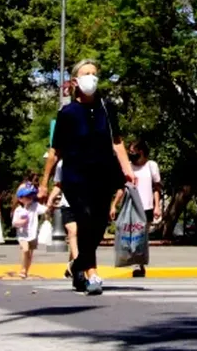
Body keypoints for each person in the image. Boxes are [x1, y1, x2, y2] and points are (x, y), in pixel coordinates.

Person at [39, 59, 135, 296]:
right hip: (76, 177)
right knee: (85, 220)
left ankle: (77, 266)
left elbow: (117, 142)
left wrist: (127, 169)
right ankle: (92, 273)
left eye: (94, 73)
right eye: (86, 73)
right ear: (75, 82)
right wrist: (44, 183)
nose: (91, 77)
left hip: (103, 175)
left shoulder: (107, 108)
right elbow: (55, 151)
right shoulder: (68, 113)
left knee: (100, 225)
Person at [111, 139, 161, 276]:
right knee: (131, 236)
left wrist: (157, 206)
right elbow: (122, 187)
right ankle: (135, 263)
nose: (131, 155)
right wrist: (114, 205)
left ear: (142, 152)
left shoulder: (151, 166)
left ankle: (139, 263)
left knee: (141, 237)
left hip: (146, 207)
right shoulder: (128, 166)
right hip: (130, 207)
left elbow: (156, 188)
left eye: (134, 152)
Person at [12, 183, 48, 279]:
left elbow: (45, 209)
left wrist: (48, 202)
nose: (29, 198)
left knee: (30, 254)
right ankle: (23, 270)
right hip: (22, 235)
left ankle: (26, 270)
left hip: (33, 234)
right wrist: (21, 222)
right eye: (27, 196)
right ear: (20, 198)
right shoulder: (18, 210)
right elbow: (14, 223)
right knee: (25, 250)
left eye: (31, 196)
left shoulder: (35, 206)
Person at [50, 159, 79, 279]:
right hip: (67, 204)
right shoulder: (62, 164)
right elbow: (58, 184)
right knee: (73, 231)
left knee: (80, 237)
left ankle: (70, 268)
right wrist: (50, 199)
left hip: (85, 204)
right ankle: (78, 264)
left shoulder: (90, 159)